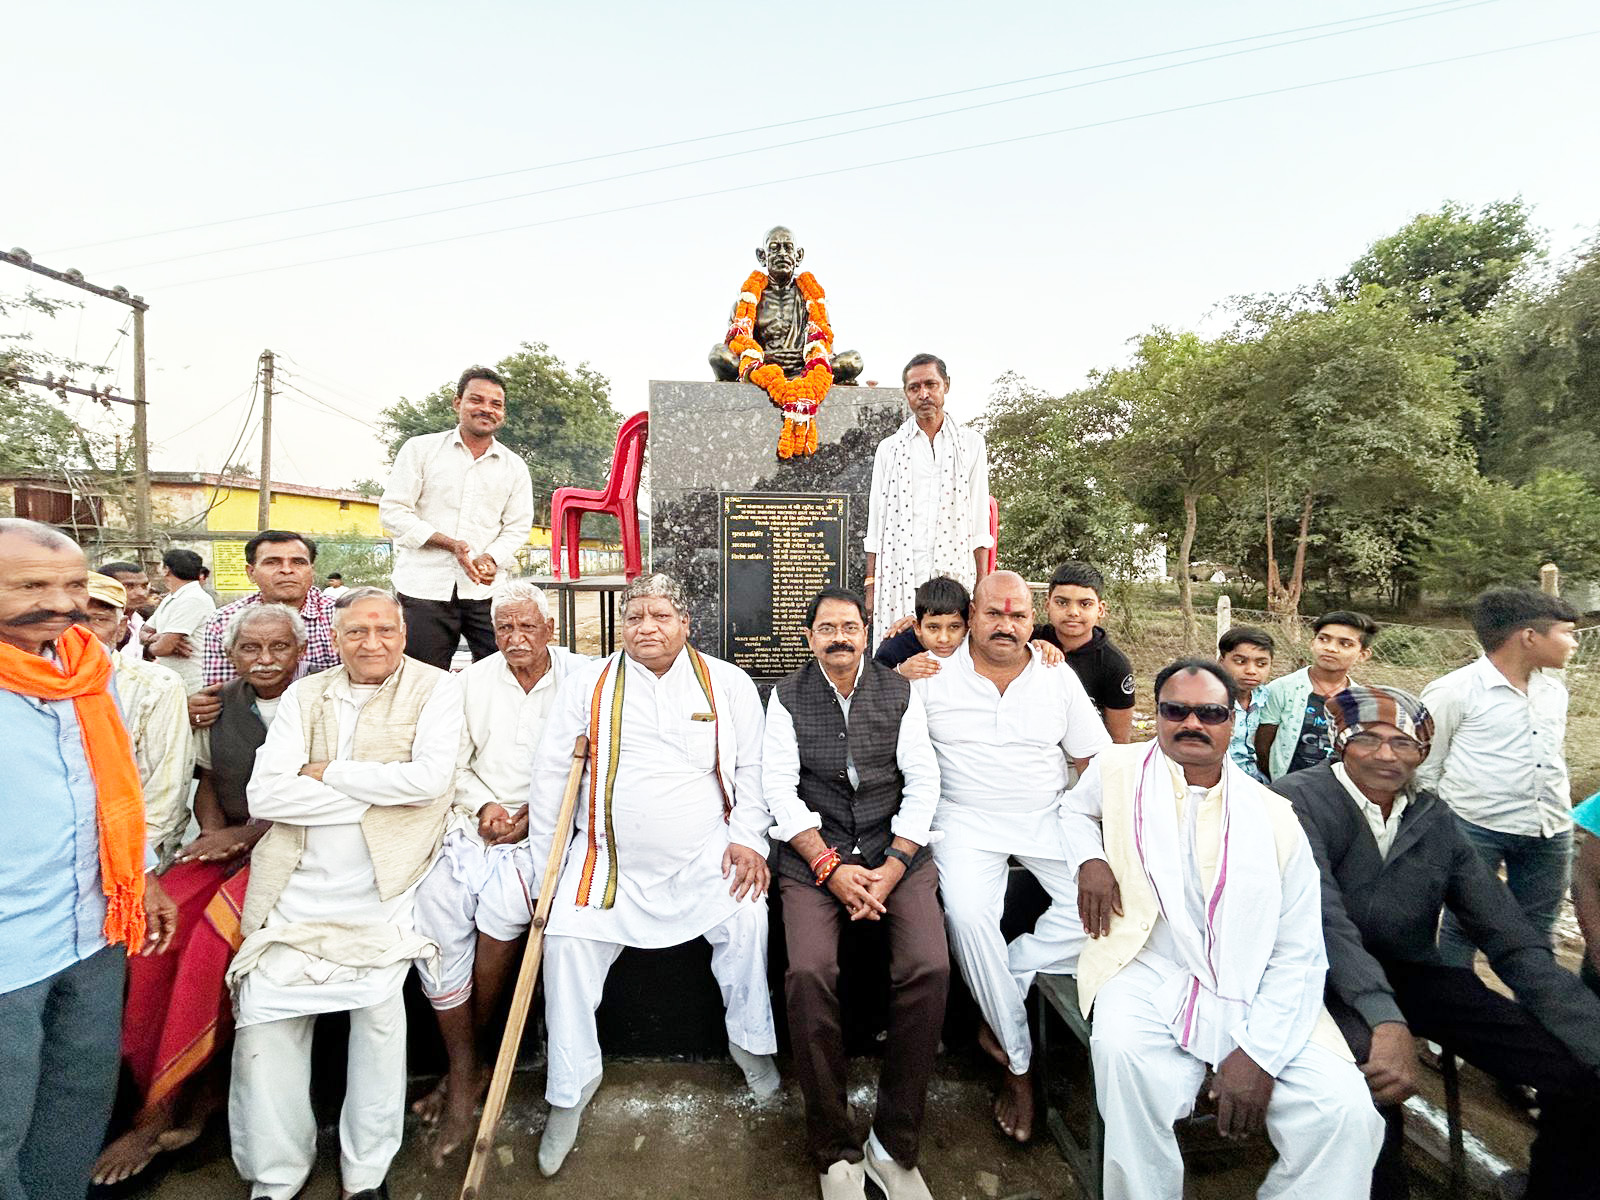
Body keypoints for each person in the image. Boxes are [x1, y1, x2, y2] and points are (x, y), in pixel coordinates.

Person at [1064, 659, 1382, 1200]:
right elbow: (1072, 813)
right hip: (1146, 964)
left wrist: (1257, 1054)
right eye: (1176, 710)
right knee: (1121, 1057)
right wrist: (1090, 861)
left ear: (1234, 718)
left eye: (1210, 712)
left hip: (1250, 976)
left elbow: (1299, 949)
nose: (1192, 723)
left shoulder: (1275, 815)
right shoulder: (1116, 770)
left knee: (1346, 1109)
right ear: (1156, 715)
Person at [1276, 683, 1600, 1199]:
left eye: (1404, 743)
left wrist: (1587, 1028)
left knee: (1579, 1076)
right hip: (1320, 977)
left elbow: (1506, 933)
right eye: (1367, 738)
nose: (1386, 754)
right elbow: (1323, 920)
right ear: (1341, 741)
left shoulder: (1434, 817)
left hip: (1412, 973)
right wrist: (1385, 1019)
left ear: (1423, 752)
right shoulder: (1295, 800)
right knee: (1374, 1086)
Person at [523, 573, 776, 1177]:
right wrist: (545, 874)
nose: (646, 628)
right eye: (635, 617)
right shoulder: (588, 685)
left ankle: (752, 1047)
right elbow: (549, 780)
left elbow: (754, 768)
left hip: (704, 855)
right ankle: (570, 1088)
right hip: (606, 861)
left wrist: (747, 840)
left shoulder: (727, 682)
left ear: (686, 625)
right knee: (565, 942)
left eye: (661, 616)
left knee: (748, 916)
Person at [226, 588, 462, 1200]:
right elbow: (266, 796)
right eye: (357, 632)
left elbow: (430, 781)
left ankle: (366, 1173)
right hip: (294, 885)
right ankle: (276, 1175)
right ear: (336, 638)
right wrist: (380, 793)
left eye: (385, 630)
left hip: (384, 887)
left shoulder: (436, 689)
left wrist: (326, 773)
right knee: (266, 1023)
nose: (372, 643)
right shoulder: (309, 694)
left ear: (404, 634)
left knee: (380, 1028)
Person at [93, 603, 305, 1187]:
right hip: (230, 843)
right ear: (231, 654)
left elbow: (320, 795)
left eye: (278, 648)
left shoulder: (321, 703)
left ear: (300, 651)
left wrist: (245, 836)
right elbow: (208, 781)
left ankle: (170, 1105)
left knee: (214, 936)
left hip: (296, 851)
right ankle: (163, 1084)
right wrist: (214, 834)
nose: (264, 660)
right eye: (249, 649)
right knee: (155, 930)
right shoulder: (218, 704)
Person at [0, 518, 177, 1200]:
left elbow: (109, 785)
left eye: (73, 584)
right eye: (32, 585)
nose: (61, 601)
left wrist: (145, 870)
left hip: (92, 927)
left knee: (76, 1106)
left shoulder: (83, 666)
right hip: (9, 952)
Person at [761, 587, 946, 1200]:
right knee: (809, 972)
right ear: (809, 637)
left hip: (895, 852)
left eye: (849, 626)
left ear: (866, 632)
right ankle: (834, 1148)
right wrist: (830, 868)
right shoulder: (786, 697)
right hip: (816, 855)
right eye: (826, 628)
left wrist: (891, 869)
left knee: (928, 966)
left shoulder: (900, 691)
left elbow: (923, 783)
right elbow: (780, 791)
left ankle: (893, 1145)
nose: (839, 637)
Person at [914, 570, 1110, 1143]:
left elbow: (1093, 761)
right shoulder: (930, 676)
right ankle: (1018, 1066)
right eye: (994, 614)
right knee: (970, 916)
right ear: (972, 616)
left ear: (1033, 622)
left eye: (1018, 615)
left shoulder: (1057, 676)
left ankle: (1008, 983)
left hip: (1048, 816)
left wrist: (1104, 845)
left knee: (1105, 911)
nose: (1006, 625)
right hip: (962, 819)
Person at [411, 581, 581, 1165]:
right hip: (477, 821)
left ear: (550, 629)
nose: (514, 639)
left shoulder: (581, 680)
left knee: (505, 912)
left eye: (526, 627)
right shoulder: (469, 684)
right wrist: (484, 805)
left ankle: (469, 1068)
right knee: (433, 908)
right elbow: (450, 765)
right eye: (504, 627)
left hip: (553, 825)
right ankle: (466, 1067)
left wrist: (537, 812)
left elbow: (601, 762)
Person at [1420, 588, 1580, 963]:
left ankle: (1532, 1013)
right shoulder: (1453, 692)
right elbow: (1426, 765)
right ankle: (1455, 1013)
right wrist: (1442, 826)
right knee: (1463, 926)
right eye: (1568, 632)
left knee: (1537, 930)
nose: (1574, 643)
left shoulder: (1553, 691)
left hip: (1550, 829)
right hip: (1475, 828)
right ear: (1529, 637)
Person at [379, 365, 535, 669]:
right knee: (423, 680)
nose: (486, 409)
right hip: (424, 588)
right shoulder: (420, 450)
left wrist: (490, 557)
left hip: (486, 592)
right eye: (476, 400)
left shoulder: (514, 466)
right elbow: (393, 512)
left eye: (496, 404)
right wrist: (451, 544)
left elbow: (516, 528)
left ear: (503, 412)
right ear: (457, 402)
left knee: (503, 674)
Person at [864, 354, 991, 649]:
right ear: (907, 393)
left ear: (946, 386)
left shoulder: (971, 444)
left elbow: (979, 524)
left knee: (953, 657)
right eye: (914, 387)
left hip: (954, 574)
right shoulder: (890, 449)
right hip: (900, 576)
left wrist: (982, 588)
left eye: (931, 384)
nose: (923, 394)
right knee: (899, 654)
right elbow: (875, 521)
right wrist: (871, 584)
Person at [80, 573, 194, 871]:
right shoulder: (28, 684)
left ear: (119, 630)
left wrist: (132, 864)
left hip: (132, 853)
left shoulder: (155, 685)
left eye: (97, 620)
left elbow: (164, 791)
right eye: (72, 619)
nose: (80, 632)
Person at [192, 530, 339, 729]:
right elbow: (223, 699)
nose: (287, 570)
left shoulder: (340, 615)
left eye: (298, 562)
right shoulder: (226, 620)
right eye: (272, 562)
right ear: (251, 573)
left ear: (311, 570)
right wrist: (198, 710)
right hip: (254, 729)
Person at [1254, 609, 1376, 781]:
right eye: (1323, 639)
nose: (1330, 648)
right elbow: (1262, 746)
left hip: (1333, 790)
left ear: (1363, 654)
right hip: (1284, 787)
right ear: (1312, 643)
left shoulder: (1361, 702)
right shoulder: (1282, 689)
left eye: (1345, 644)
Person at [1029, 561, 1136, 743]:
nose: (1073, 612)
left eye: (1085, 604)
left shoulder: (1115, 665)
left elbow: (1118, 741)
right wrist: (1031, 647)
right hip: (1032, 746)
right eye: (1062, 602)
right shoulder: (1029, 640)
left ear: (1100, 609)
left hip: (1084, 759)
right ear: (1047, 605)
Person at [146, 547, 215, 695]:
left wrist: (150, 647)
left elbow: (163, 648)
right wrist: (157, 638)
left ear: (166, 569)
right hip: (170, 681)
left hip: (191, 683)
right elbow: (145, 631)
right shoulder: (173, 597)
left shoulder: (193, 598)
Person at [872, 575, 969, 674]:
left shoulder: (971, 647)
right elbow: (871, 685)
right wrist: (899, 672)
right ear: (917, 627)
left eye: (954, 627)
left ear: (967, 627)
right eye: (933, 627)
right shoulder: (893, 649)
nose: (943, 639)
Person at [1218, 625, 1274, 784]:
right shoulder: (1209, 700)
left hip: (1257, 779)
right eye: (1240, 661)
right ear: (1221, 661)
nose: (1251, 671)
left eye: (1261, 664)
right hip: (1221, 779)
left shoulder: (1267, 697)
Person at [98, 559, 153, 663]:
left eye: (144, 586)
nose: (141, 593)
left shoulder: (145, 621)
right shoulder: (93, 625)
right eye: (129, 586)